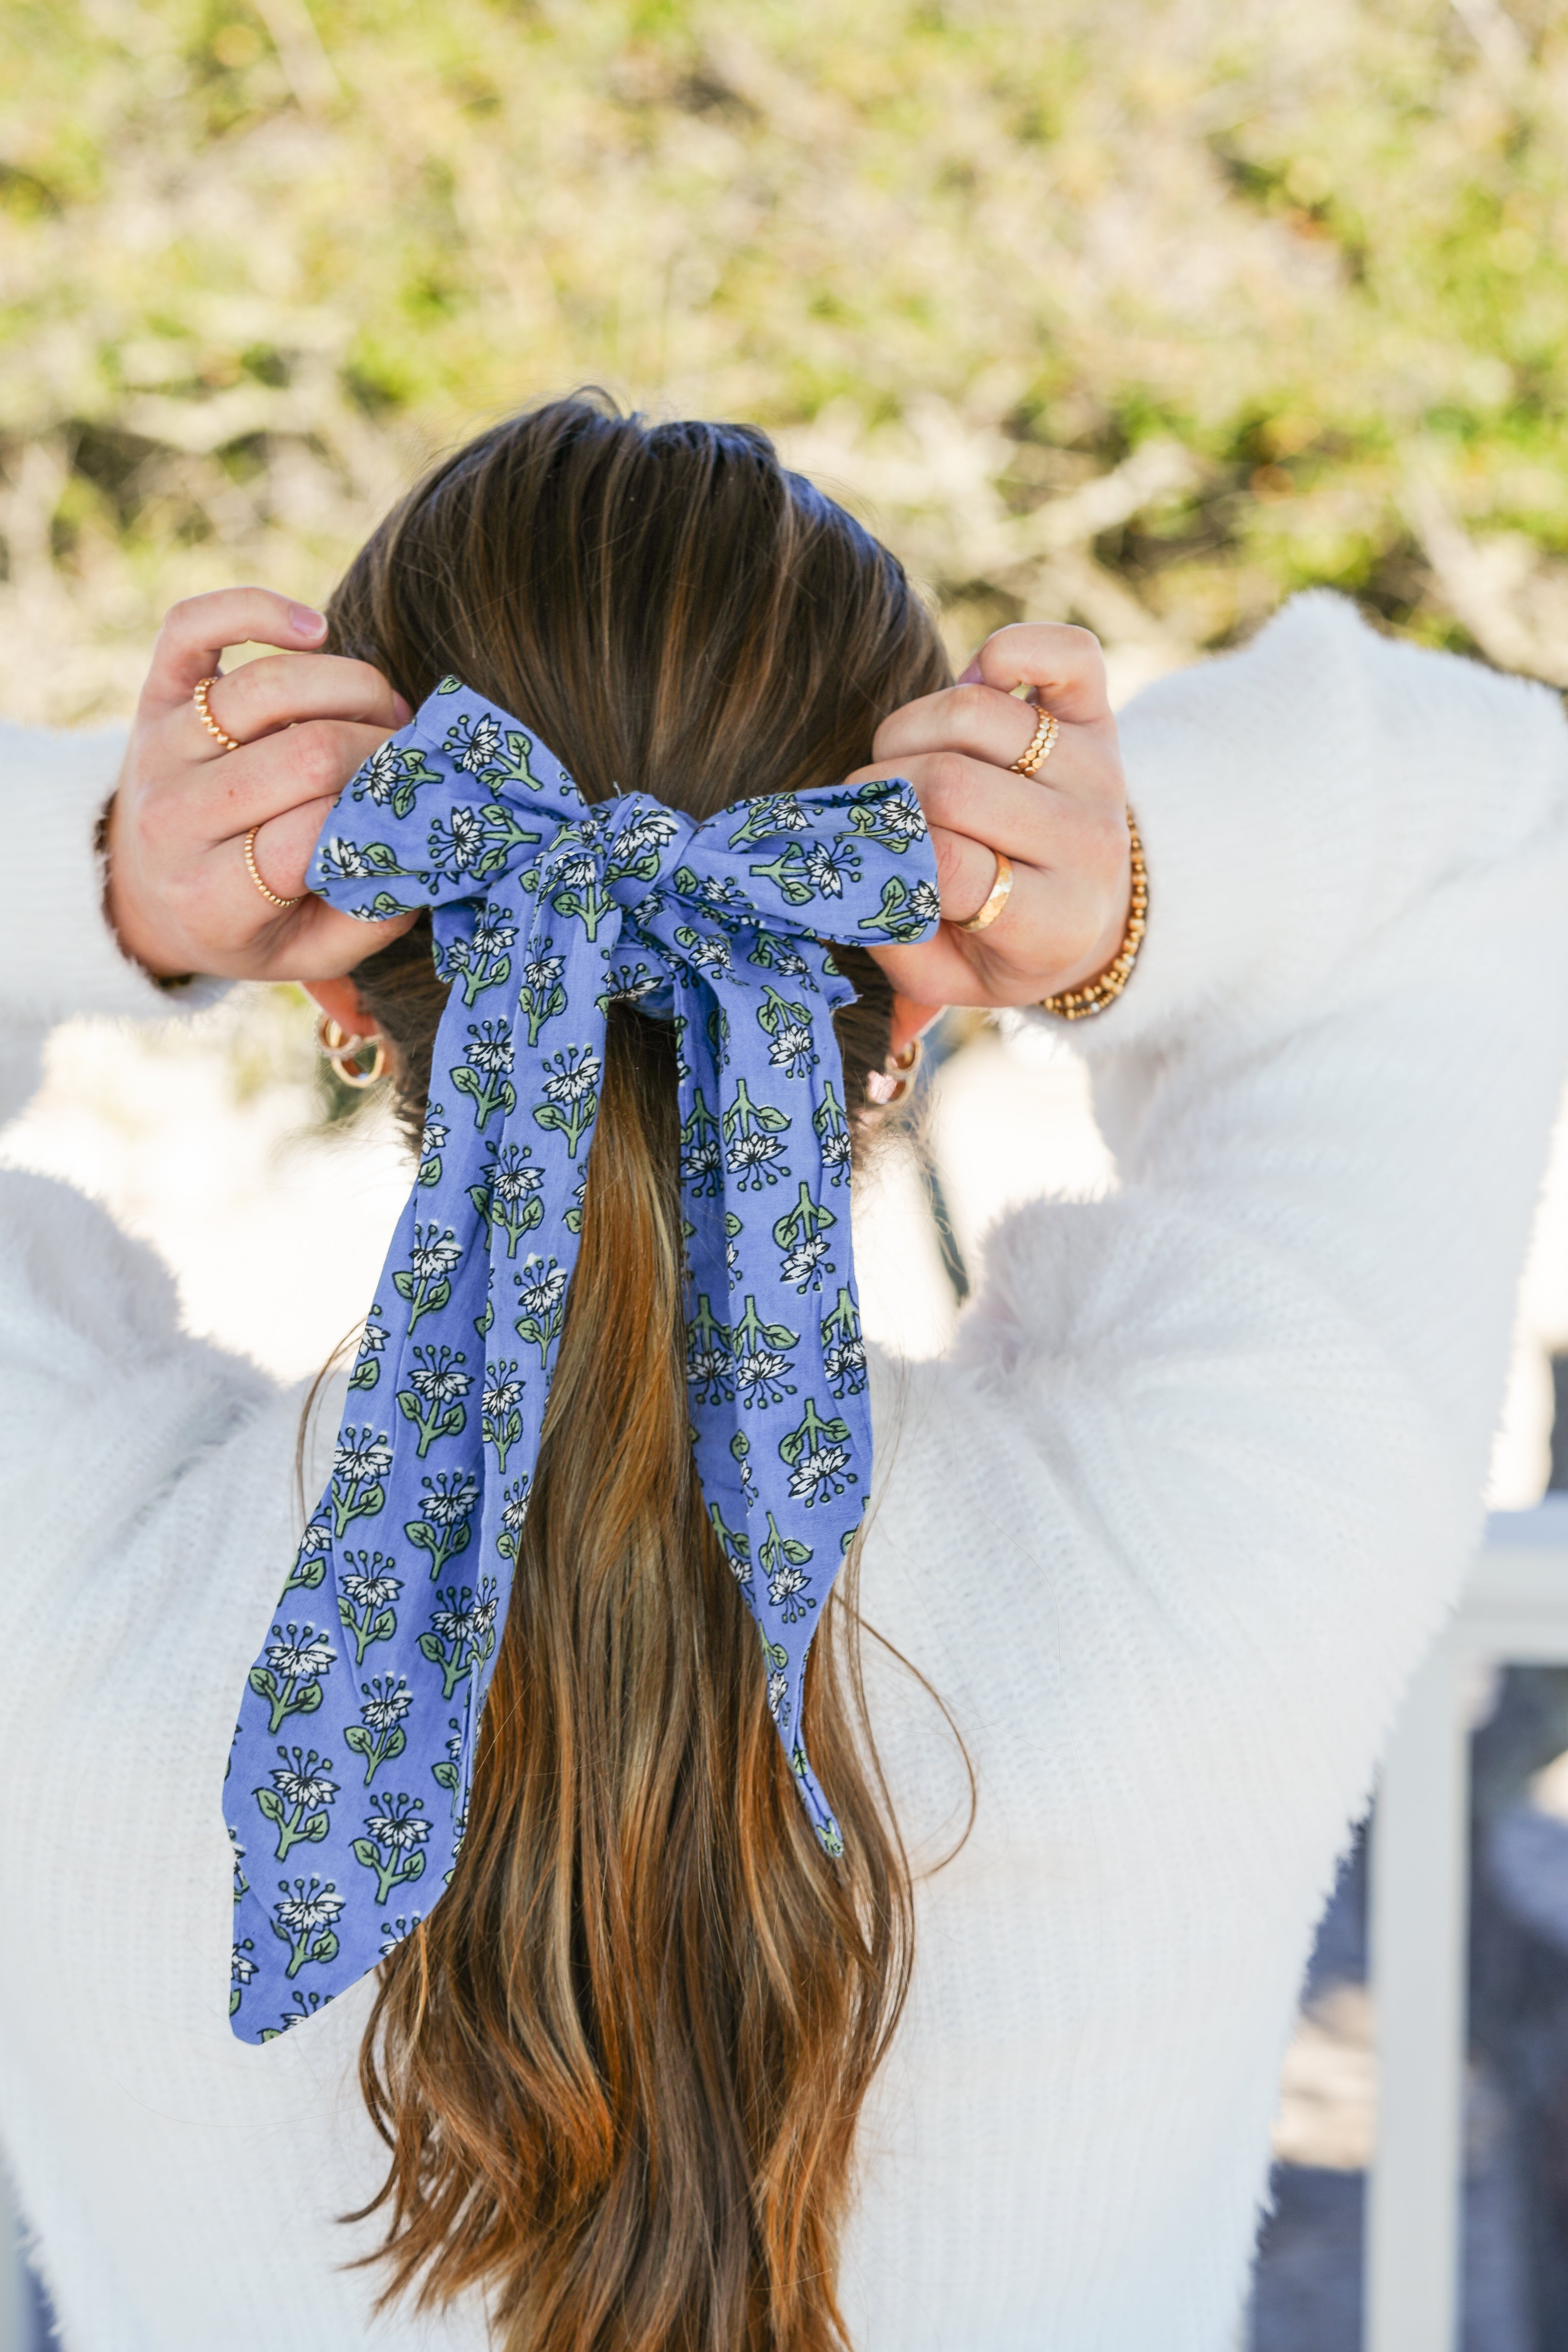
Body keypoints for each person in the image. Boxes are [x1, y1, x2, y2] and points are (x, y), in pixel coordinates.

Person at [0, 396, 1565, 2352]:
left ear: (335, 975)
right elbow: (1487, 811)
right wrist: (1120, 896)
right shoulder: (1214, 1545)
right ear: (897, 978)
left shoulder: (45, 1584)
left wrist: (118, 887)